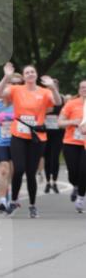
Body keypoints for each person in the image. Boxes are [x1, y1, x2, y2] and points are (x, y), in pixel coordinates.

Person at [0, 62, 60, 218]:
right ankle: (14, 201)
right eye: (27, 72)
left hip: (37, 137)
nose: (30, 74)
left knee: (31, 173)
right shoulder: (17, 90)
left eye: (32, 72)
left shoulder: (44, 92)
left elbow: (57, 102)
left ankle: (32, 205)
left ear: (36, 75)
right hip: (18, 134)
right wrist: (6, 76)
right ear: (24, 77)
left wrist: (52, 87)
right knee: (18, 169)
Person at [0, 75, 21, 213]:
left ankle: (12, 197)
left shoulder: (21, 103)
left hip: (18, 142)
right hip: (1, 142)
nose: (13, 86)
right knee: (3, 170)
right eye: (11, 83)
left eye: (18, 84)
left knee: (13, 173)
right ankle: (2, 200)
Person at [58, 81, 86, 212]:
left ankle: (81, 197)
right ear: (79, 89)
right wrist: (72, 122)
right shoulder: (71, 104)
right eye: (82, 87)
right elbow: (60, 122)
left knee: (83, 171)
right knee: (73, 171)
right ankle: (75, 185)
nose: (84, 89)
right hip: (71, 142)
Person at [43, 83, 65, 193]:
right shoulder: (44, 99)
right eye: (50, 87)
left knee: (55, 158)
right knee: (47, 158)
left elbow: (64, 113)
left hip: (58, 133)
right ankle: (47, 182)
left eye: (54, 87)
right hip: (46, 132)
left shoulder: (61, 100)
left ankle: (55, 182)